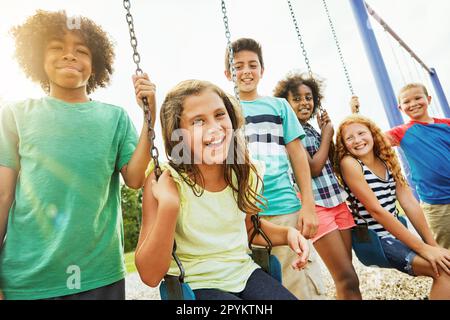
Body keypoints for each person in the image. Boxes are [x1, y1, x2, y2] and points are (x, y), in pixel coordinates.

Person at [0, 10, 156, 300]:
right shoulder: (15, 115)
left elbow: (135, 178)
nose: (69, 56)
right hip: (29, 277)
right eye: (57, 47)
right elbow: (3, 194)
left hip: (98, 272)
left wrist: (150, 116)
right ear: (38, 59)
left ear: (95, 65)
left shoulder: (115, 118)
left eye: (81, 51)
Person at [135, 79, 310, 300]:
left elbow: (249, 228)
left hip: (244, 273)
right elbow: (150, 275)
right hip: (196, 284)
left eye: (219, 115)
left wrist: (288, 234)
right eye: (198, 121)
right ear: (177, 133)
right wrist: (169, 206)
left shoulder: (243, 172)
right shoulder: (165, 180)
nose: (215, 128)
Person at [224, 38, 326, 300]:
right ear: (227, 74)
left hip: (283, 206)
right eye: (238, 66)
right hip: (244, 215)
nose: (246, 71)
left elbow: (297, 155)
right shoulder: (223, 111)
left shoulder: (278, 106)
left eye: (252, 65)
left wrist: (309, 205)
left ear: (262, 70)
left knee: (300, 283)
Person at [335, 115, 450, 300]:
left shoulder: (386, 159)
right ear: (343, 144)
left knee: (446, 265)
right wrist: (423, 249)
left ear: (373, 134)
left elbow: (409, 203)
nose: (357, 140)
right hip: (376, 241)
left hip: (397, 233)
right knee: (443, 271)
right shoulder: (350, 164)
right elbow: (376, 211)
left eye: (361, 133)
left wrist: (432, 245)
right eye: (349, 138)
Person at [274, 72, 361, 299]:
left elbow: (329, 162)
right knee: (347, 278)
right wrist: (326, 134)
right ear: (286, 104)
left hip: (336, 200)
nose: (304, 102)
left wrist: (327, 134)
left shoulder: (311, 128)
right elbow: (312, 168)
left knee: (349, 276)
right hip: (317, 205)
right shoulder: (288, 131)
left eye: (308, 97)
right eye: (297, 99)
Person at [386, 83, 449, 250]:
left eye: (417, 98)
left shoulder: (447, 124)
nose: (413, 103)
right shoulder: (401, 131)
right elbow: (375, 140)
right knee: (444, 249)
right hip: (436, 203)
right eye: (407, 102)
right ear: (400, 108)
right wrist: (355, 112)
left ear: (428, 99)